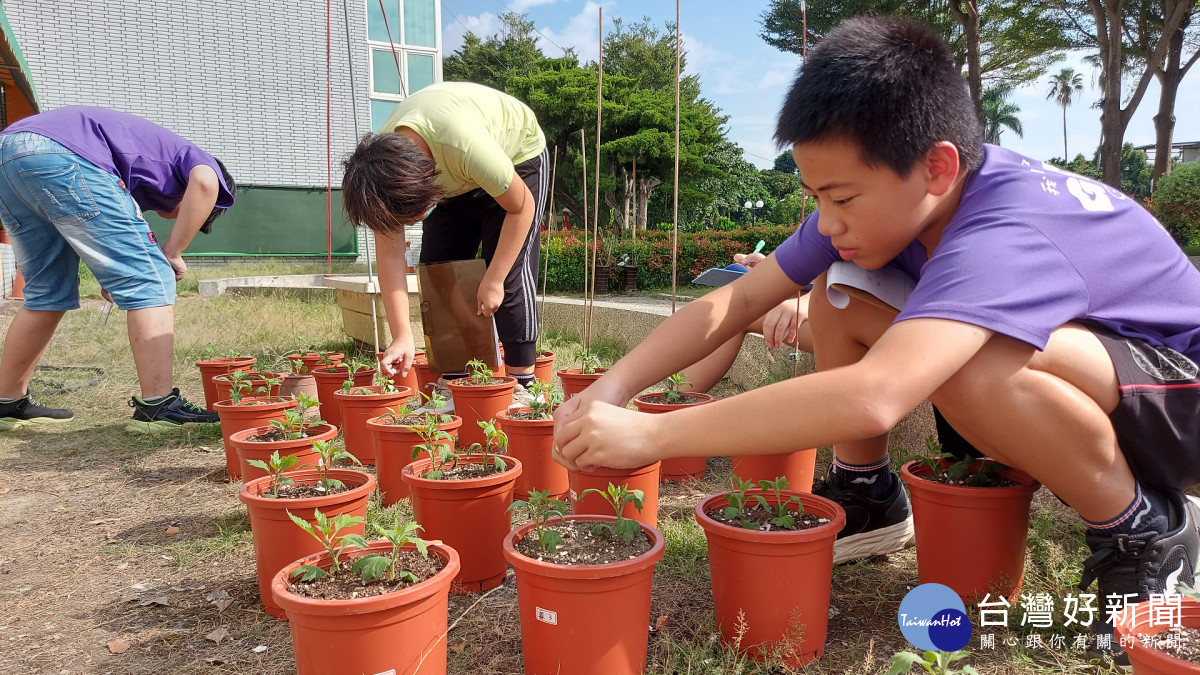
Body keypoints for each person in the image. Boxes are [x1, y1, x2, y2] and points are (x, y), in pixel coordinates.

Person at [553, 15, 1200, 655]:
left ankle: (1144, 529)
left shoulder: (1003, 230)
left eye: (841, 198)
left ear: (937, 168)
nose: (827, 221)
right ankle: (867, 489)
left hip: (1178, 403)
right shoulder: (893, 203)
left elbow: (875, 394)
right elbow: (741, 296)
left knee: (969, 358)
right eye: (815, 198)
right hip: (1100, 387)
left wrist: (652, 433)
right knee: (841, 289)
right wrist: (616, 384)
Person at [0, 106, 236, 433]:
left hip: (8, 153)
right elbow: (207, 183)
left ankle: (7, 402)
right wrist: (172, 252)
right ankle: (159, 406)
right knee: (153, 276)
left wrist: (116, 274)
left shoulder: (138, 171)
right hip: (60, 153)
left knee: (46, 293)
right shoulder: (199, 161)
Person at [341, 82, 548, 389]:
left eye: (412, 217)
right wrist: (401, 335)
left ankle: (524, 387)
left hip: (515, 158)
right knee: (440, 274)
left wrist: (493, 279)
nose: (408, 224)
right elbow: (389, 254)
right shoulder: (379, 179)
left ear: (423, 184)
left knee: (508, 278)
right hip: (451, 171)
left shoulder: (464, 145)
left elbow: (522, 208)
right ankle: (455, 385)